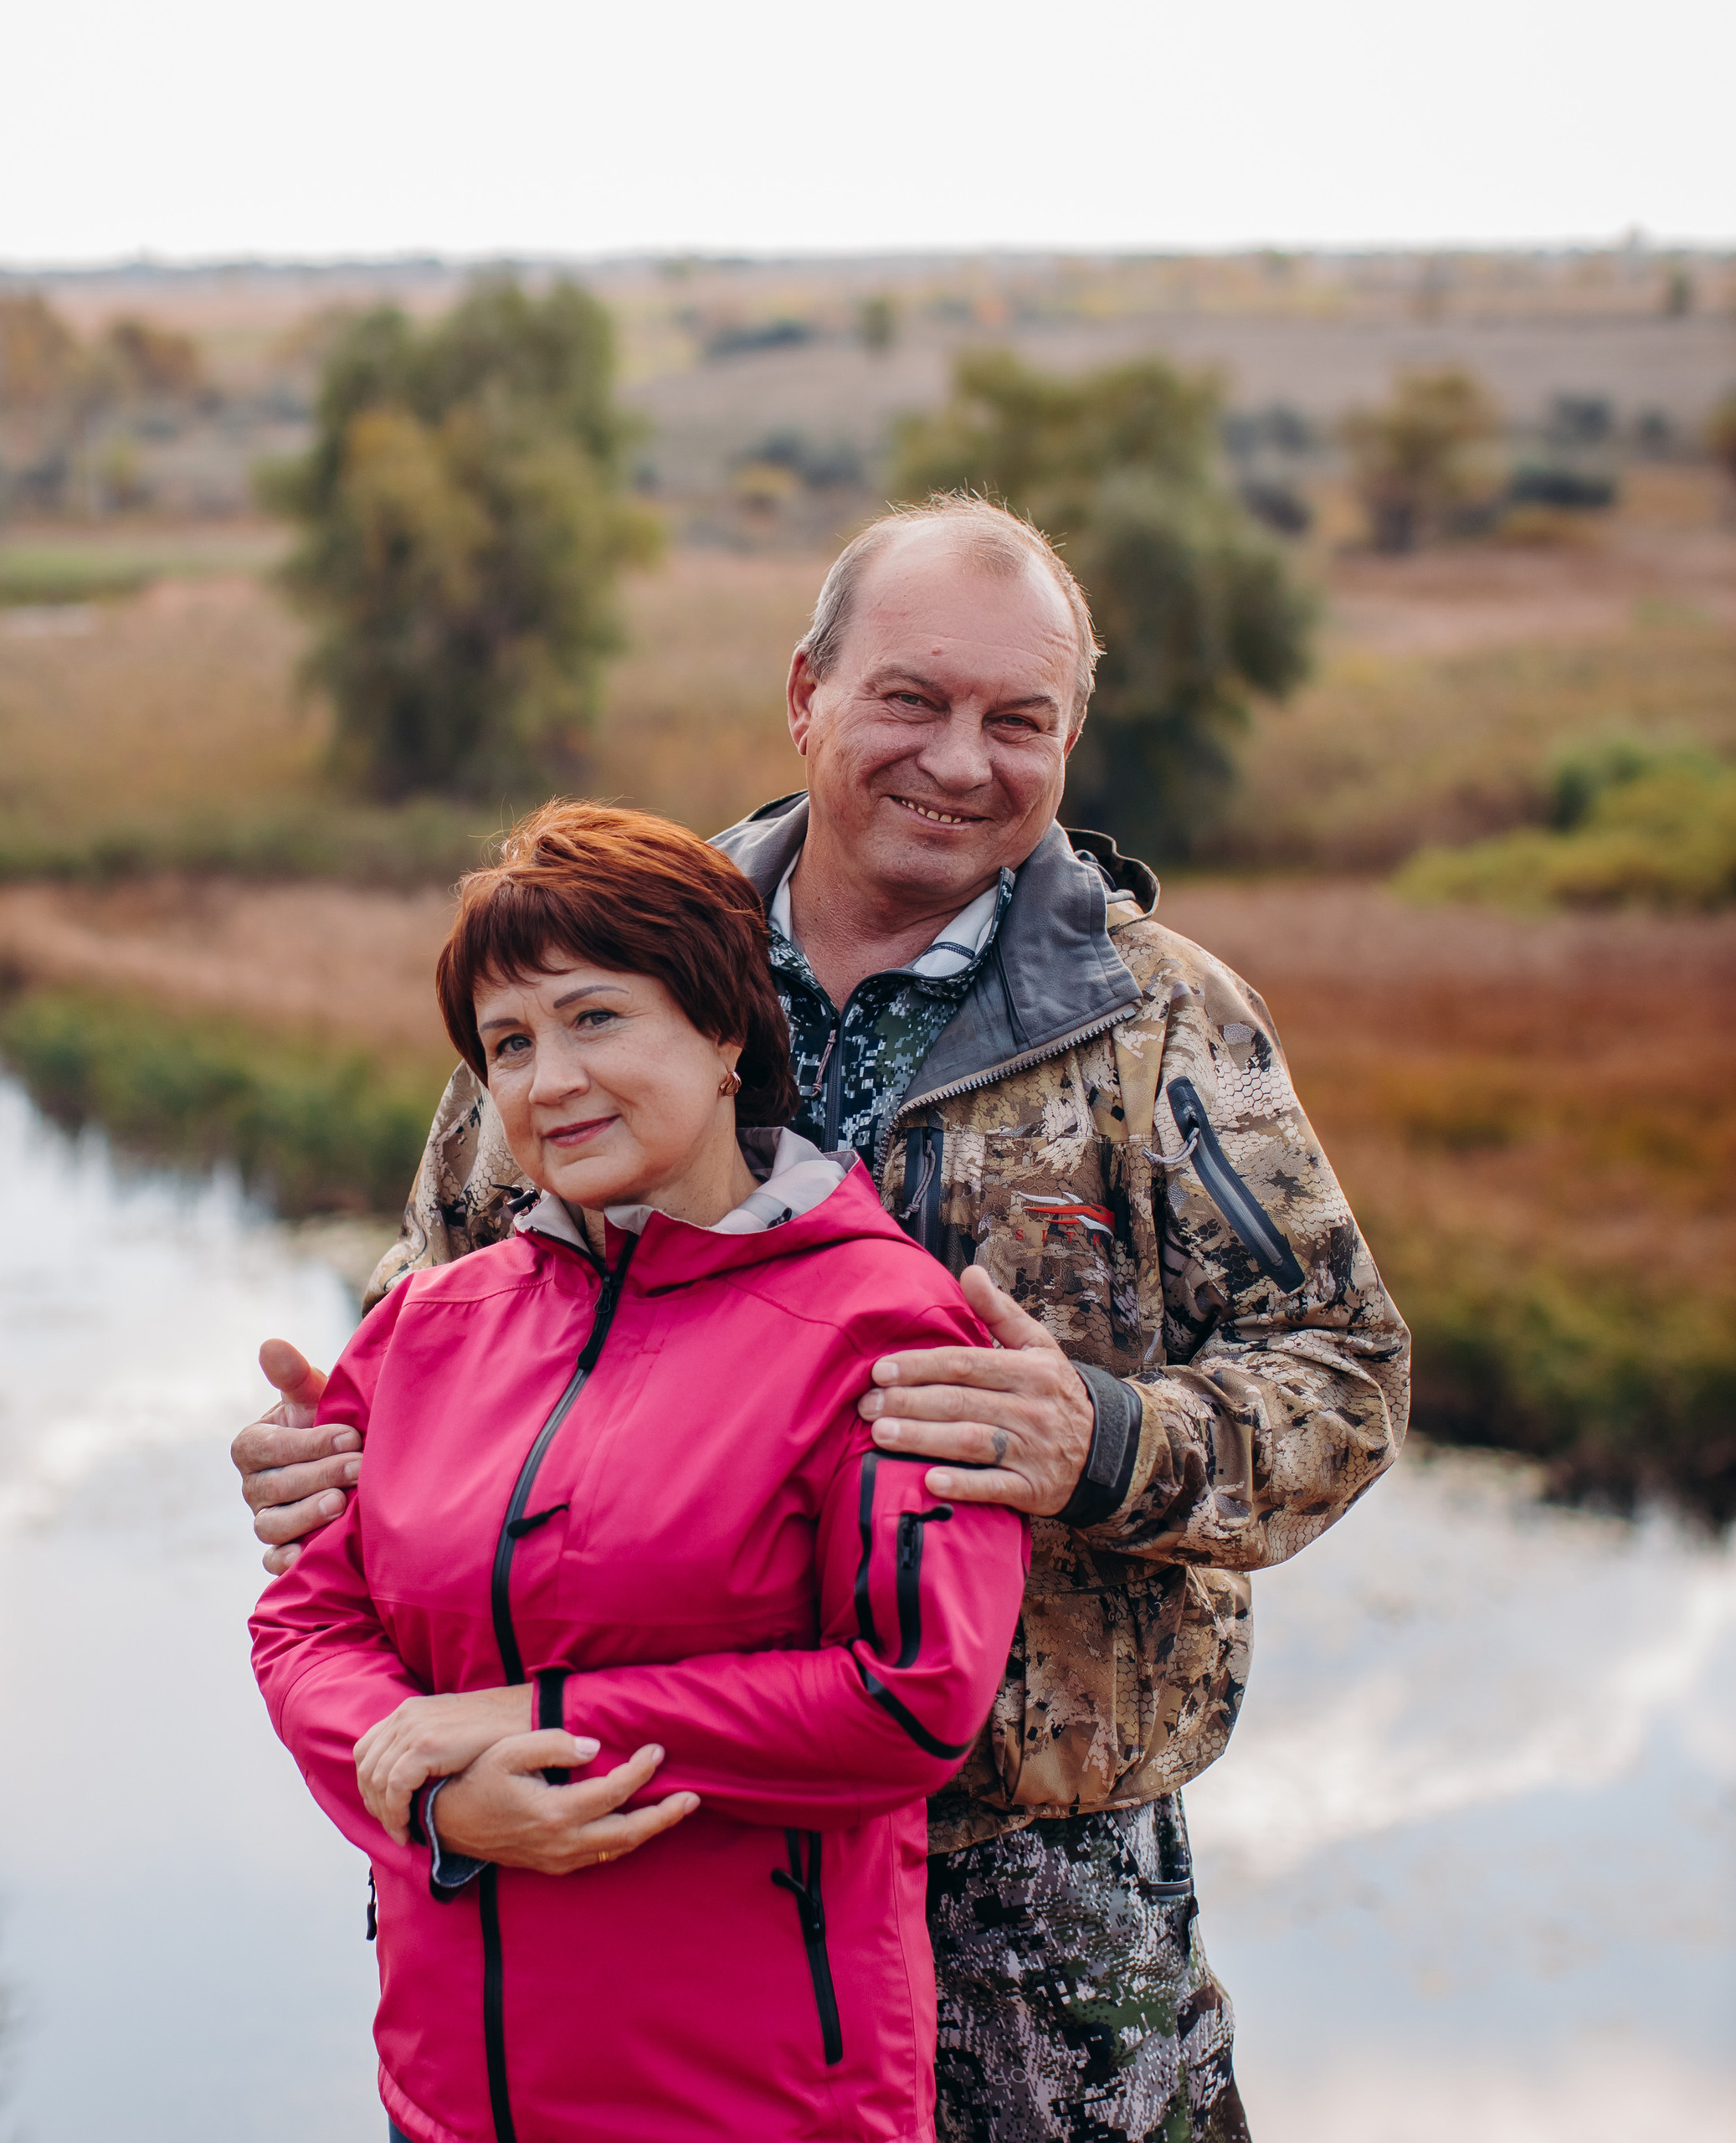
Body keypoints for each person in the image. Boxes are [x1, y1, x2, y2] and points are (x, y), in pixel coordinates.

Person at [239, 496, 1412, 2143]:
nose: (960, 758)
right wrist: (329, 1464)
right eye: (910, 699)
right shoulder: (608, 955)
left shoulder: (1160, 1024)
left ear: (1071, 735)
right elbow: (430, 1312)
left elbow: (1346, 1377)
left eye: (1019, 720)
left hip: (1027, 1889)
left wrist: (1105, 1436)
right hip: (625, 1845)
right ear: (805, 693)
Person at [251, 801, 1027, 2143]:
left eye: (595, 1018)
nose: (549, 1081)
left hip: (762, 2102)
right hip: (452, 2098)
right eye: (509, 1043)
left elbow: (911, 1697)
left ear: (725, 1028)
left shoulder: (883, 1327)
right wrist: (435, 1797)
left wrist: (536, 1715)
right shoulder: (427, 1327)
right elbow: (309, 1621)